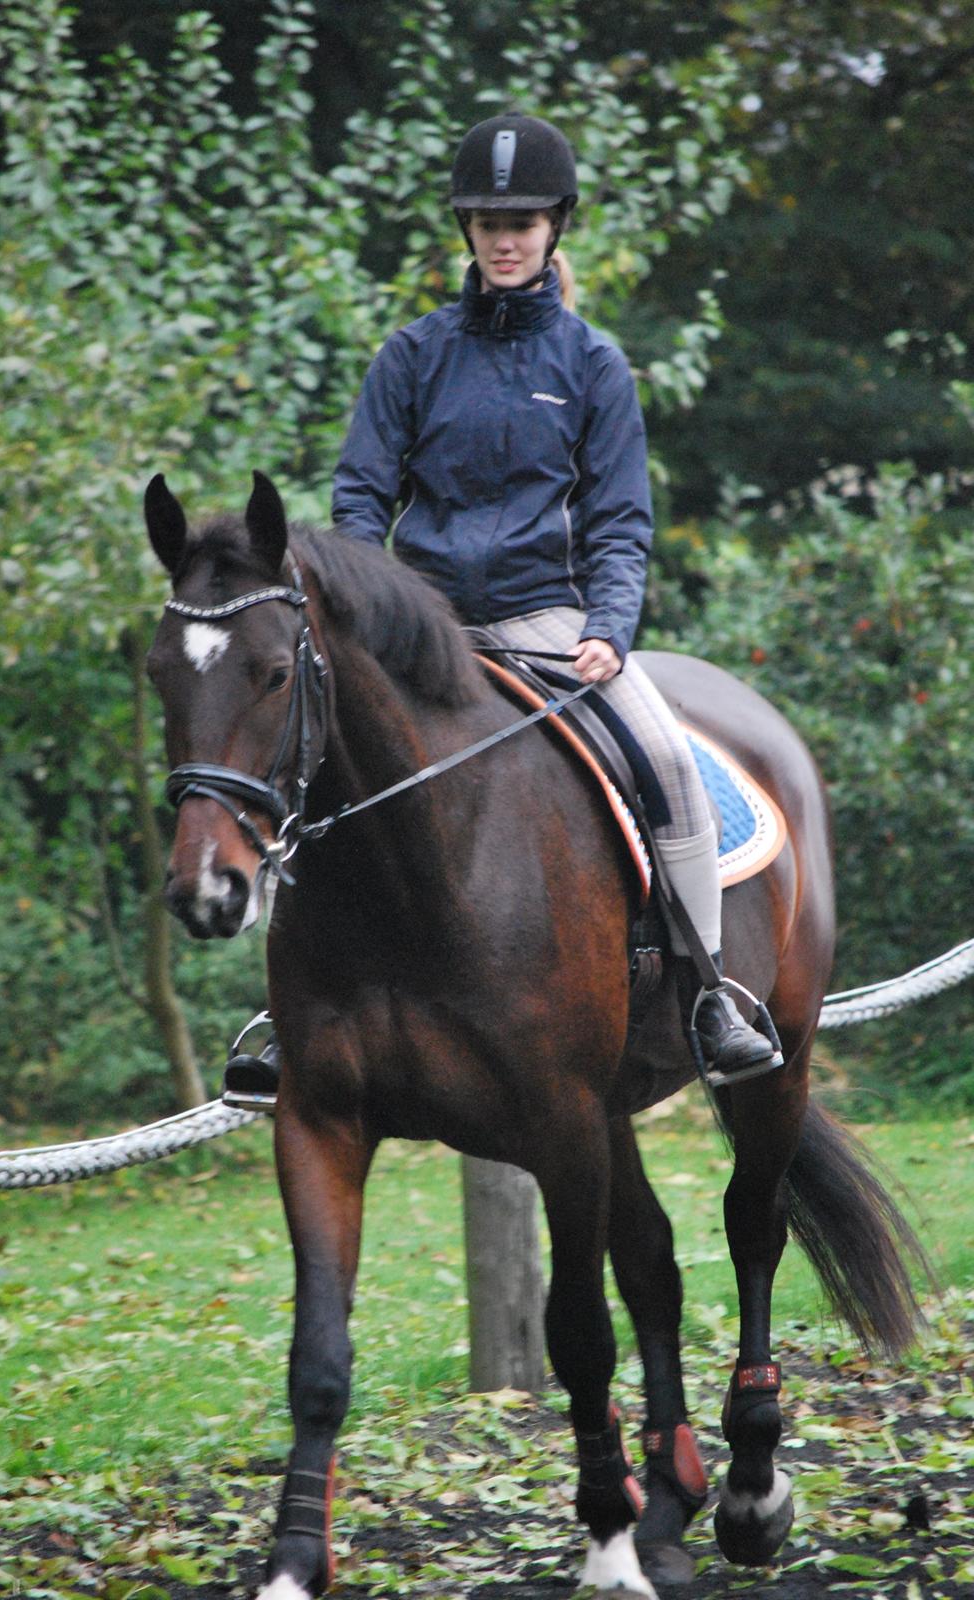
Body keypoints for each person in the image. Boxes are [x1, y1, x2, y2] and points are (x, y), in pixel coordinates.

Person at [226, 112, 779, 1107]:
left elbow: (620, 519)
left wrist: (609, 625)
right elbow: (361, 496)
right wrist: (374, 599)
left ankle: (709, 997)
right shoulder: (411, 355)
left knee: (665, 764)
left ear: (553, 225)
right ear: (467, 230)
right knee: (307, 756)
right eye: (488, 222)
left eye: (521, 222)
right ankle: (290, 1012)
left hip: (545, 619)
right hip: (419, 623)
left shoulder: (593, 365)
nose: (504, 239)